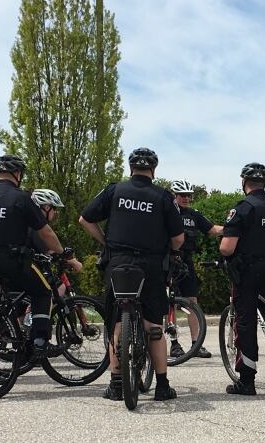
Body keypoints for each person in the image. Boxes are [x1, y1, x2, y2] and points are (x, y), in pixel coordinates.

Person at [79, 148, 184, 402]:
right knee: (153, 325)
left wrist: (107, 243)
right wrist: (170, 250)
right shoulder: (163, 197)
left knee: (116, 323)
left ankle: (116, 385)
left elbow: (85, 219)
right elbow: (178, 238)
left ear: (130, 168)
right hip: (150, 266)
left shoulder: (114, 190)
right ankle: (162, 386)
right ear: (154, 170)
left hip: (118, 262)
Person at [0, 155, 77, 364]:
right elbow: (45, 232)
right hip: (11, 261)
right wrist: (62, 252)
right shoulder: (21, 198)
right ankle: (39, 341)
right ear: (18, 174)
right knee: (44, 291)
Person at [219, 163, 265, 396]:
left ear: (244, 182)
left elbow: (227, 247)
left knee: (245, 323)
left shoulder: (243, 208)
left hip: (247, 272)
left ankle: (246, 380)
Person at [169, 179, 223, 359]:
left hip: (186, 262)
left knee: (192, 302)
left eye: (188, 196)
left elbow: (213, 229)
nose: (186, 198)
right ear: (175, 196)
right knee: (170, 303)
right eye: (182, 195)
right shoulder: (166, 212)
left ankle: (196, 344)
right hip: (168, 260)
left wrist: (235, 229)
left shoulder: (193, 215)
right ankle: (174, 343)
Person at [28, 189, 83, 298]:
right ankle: (34, 314)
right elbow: (50, 249)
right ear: (47, 207)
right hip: (24, 269)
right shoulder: (36, 226)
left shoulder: (28, 221)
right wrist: (72, 261)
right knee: (59, 287)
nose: (56, 212)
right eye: (55, 208)